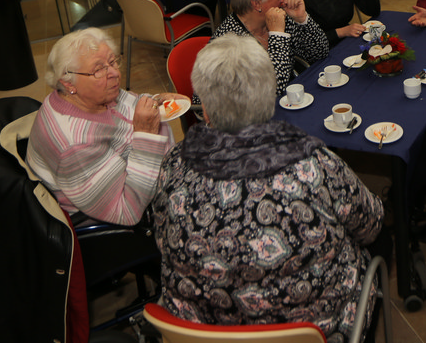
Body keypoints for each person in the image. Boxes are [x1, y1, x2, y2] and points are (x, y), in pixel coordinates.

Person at [152, 34, 384, 343]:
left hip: (203, 333)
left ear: (204, 109)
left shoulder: (172, 166)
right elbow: (371, 225)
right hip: (318, 332)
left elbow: (161, 238)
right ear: (269, 98)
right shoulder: (314, 165)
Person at [26, 27, 178, 226]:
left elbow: (129, 104)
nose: (114, 73)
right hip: (132, 214)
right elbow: (127, 212)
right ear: (69, 83)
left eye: (113, 62)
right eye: (98, 69)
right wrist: (146, 135)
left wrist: (152, 102)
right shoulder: (75, 145)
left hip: (155, 168)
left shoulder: (94, 94)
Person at [214, 0, 330, 94]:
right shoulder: (229, 43)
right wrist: (277, 35)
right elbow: (273, 89)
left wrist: (302, 19)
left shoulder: (278, 17)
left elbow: (320, 52)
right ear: (257, 4)